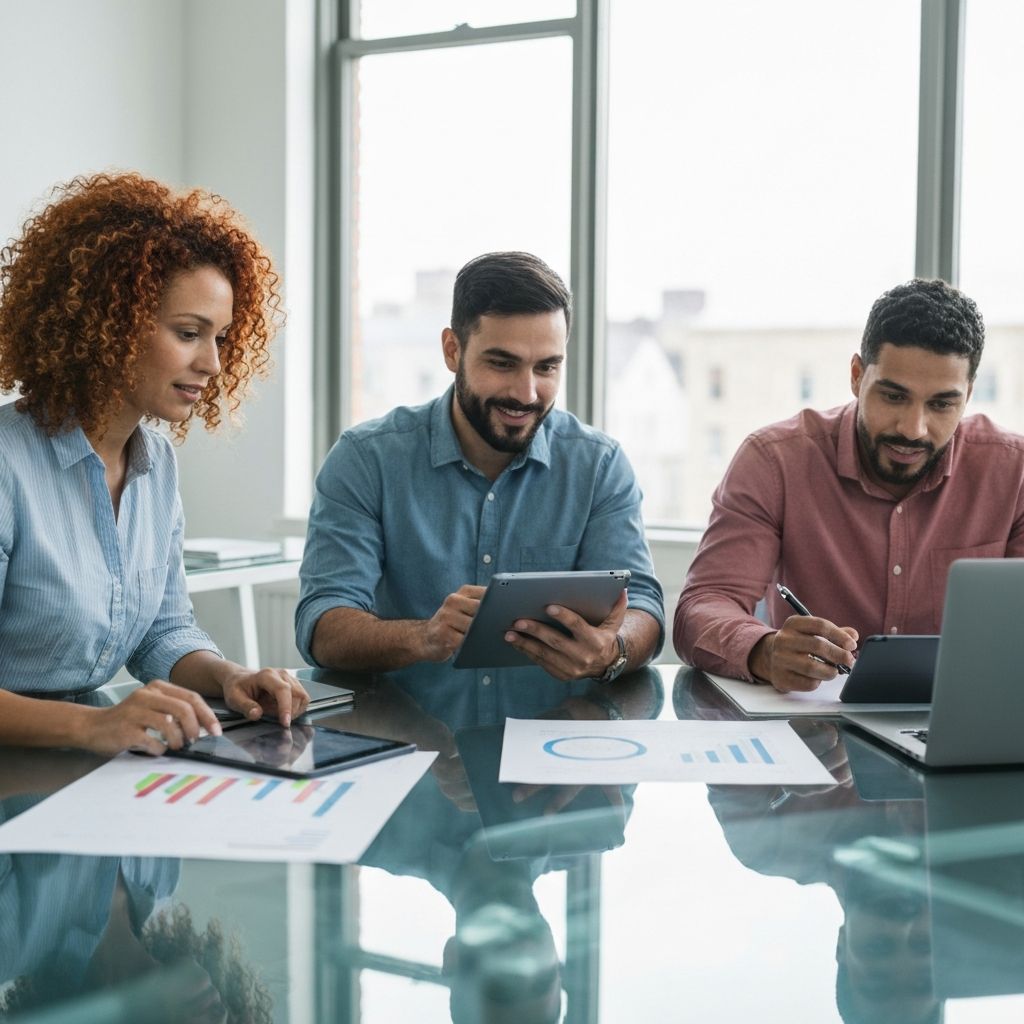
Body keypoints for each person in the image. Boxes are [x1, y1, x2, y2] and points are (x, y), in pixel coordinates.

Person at [0, 172, 309, 754]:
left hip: (101, 773)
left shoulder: (156, 462)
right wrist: (96, 726)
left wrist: (229, 676)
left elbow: (161, 632)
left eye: (220, 337)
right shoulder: (6, 464)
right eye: (189, 333)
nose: (214, 364)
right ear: (109, 323)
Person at [296, 251, 664, 697]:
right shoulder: (366, 459)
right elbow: (322, 623)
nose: (526, 393)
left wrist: (613, 650)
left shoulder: (599, 465)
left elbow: (642, 607)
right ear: (453, 350)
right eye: (502, 363)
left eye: (546, 366)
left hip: (556, 743)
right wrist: (424, 636)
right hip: (408, 742)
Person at [675, 278, 1024, 693]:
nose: (913, 429)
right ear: (857, 376)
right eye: (894, 397)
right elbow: (701, 606)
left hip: (964, 716)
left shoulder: (1013, 472)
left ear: (967, 395)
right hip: (814, 727)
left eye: (941, 404)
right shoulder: (775, 461)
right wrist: (763, 650)